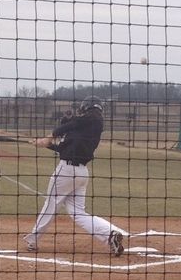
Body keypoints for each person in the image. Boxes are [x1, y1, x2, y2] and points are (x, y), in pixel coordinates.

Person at [23, 96, 125, 257]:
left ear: (88, 108)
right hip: (81, 174)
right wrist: (45, 144)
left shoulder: (92, 119)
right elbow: (64, 148)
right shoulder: (87, 128)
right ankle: (109, 235)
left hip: (66, 171)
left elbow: (72, 123)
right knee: (78, 213)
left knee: (50, 205)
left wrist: (49, 136)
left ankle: (33, 240)